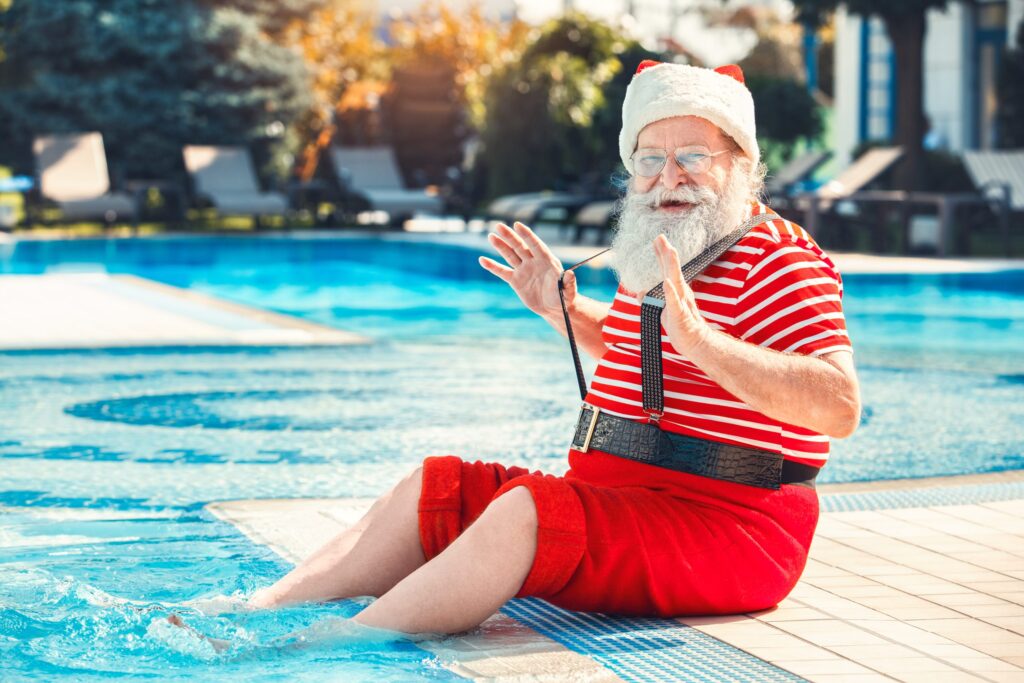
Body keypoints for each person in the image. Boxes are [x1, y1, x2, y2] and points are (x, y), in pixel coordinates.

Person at [242, 61, 861, 635]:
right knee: (438, 485)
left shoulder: (780, 259)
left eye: (694, 156)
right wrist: (561, 311)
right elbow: (637, 352)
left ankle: (321, 651)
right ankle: (253, 615)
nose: (668, 177)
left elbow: (838, 407)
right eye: (649, 159)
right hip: (629, 501)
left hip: (733, 528)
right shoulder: (662, 238)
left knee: (525, 514)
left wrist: (704, 342)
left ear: (741, 163)